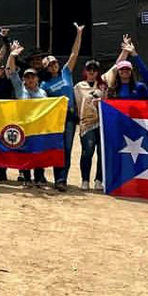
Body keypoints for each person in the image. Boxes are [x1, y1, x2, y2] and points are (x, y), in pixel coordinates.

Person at [40, 23, 84, 192]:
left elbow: (74, 53)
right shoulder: (44, 84)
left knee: (67, 147)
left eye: (55, 62)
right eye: (50, 64)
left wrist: (79, 33)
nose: (54, 65)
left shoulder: (66, 72)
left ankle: (61, 179)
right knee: (56, 147)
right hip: (55, 119)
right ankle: (54, 176)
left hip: (70, 117)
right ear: (45, 68)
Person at [74, 60, 106, 191]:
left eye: (95, 69)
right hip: (87, 123)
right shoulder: (78, 86)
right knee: (88, 150)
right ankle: (85, 180)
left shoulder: (104, 85)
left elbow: (116, 67)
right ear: (85, 71)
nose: (92, 71)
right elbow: (77, 103)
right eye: (89, 69)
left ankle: (99, 180)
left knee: (101, 152)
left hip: (103, 123)